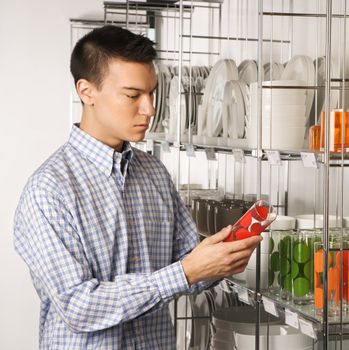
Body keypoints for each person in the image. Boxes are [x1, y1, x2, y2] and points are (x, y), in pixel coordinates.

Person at [13, 25, 262, 349]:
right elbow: (79, 308)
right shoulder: (48, 192)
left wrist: (226, 253)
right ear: (86, 92)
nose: (149, 109)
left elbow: (187, 266)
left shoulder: (154, 173)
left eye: (151, 93)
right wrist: (186, 272)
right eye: (132, 95)